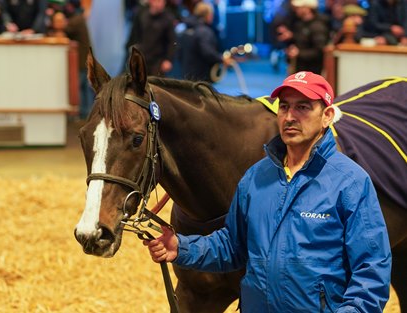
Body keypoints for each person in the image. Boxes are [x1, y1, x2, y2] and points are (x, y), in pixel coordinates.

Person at [143, 71, 392, 312]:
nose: (290, 117)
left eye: (303, 107)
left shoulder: (351, 182)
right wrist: (181, 248)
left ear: (327, 116)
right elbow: (233, 246)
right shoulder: (255, 177)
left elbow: (371, 269)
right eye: (284, 107)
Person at [179, 2, 231, 82]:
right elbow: (207, 52)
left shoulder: (186, 29)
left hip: (185, 74)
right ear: (209, 15)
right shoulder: (205, 32)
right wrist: (221, 58)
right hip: (200, 77)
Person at [125, 0, 176, 76]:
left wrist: (168, 59)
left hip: (158, 60)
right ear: (151, 1)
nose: (161, 4)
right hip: (142, 57)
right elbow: (135, 34)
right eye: (158, 1)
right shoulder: (141, 14)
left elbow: (171, 41)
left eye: (163, 1)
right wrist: (130, 48)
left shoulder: (168, 18)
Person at [279, 0, 330, 74]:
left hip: (312, 71)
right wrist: (291, 37)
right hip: (299, 69)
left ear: (307, 8)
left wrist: (299, 53)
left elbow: (319, 51)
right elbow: (303, 41)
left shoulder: (318, 26)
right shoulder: (300, 23)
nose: (296, 10)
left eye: (299, 7)